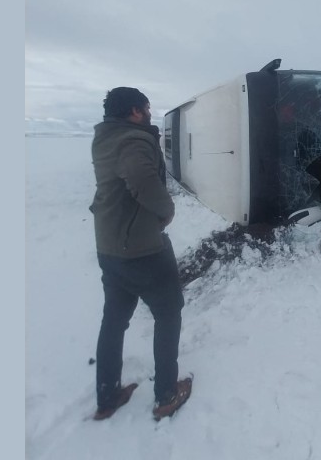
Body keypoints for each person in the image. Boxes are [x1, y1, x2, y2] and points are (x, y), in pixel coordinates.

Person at [89, 87, 192, 421]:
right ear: (134, 111)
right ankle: (166, 395)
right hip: (143, 249)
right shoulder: (133, 139)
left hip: (110, 247)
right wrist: (165, 211)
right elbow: (139, 176)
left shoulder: (105, 137)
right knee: (169, 313)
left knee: (114, 320)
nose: (149, 113)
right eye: (146, 108)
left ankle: (107, 396)